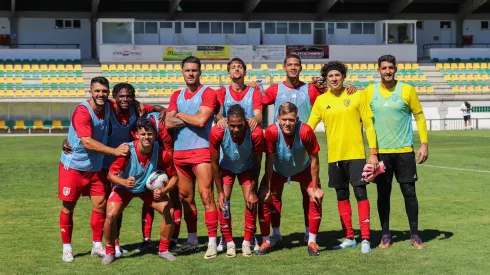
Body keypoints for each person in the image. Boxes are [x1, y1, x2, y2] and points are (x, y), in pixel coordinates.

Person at [256, 54, 356, 246]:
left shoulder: (310, 89)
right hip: (281, 151)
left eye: (297, 65)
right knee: (274, 195)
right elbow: (260, 100)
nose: (293, 68)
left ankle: (308, 232)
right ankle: (275, 233)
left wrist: (349, 88)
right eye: (290, 65)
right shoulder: (276, 89)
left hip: (303, 146)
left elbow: (333, 95)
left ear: (301, 68)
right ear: (284, 67)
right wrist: (253, 87)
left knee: (308, 194)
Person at [61, 82, 165, 257]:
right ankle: (102, 245)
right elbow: (84, 130)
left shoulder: (135, 108)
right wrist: (68, 140)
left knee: (114, 206)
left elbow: (155, 107)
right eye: (121, 96)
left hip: (124, 164)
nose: (125, 99)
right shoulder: (107, 106)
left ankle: (115, 244)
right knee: (107, 206)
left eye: (128, 96)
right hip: (102, 164)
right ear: (114, 97)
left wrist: (164, 111)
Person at [307, 61, 378, 254]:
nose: (334, 79)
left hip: (356, 155)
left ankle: (365, 238)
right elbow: (309, 126)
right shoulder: (321, 101)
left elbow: (369, 125)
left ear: (344, 77)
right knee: (341, 196)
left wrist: (373, 153)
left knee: (360, 194)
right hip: (334, 157)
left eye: (337, 75)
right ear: (326, 79)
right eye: (330, 76)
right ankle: (349, 237)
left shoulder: (357, 95)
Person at [58, 76, 130, 262]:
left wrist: (157, 109)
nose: (101, 94)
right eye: (97, 91)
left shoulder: (108, 105)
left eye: (104, 91)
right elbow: (87, 142)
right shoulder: (82, 111)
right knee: (68, 207)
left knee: (100, 205)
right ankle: (67, 248)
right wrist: (114, 151)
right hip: (73, 167)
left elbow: (128, 101)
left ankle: (97, 246)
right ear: (90, 92)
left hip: (95, 168)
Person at [364, 54, 429, 249]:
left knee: (409, 192)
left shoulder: (407, 89)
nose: (387, 71)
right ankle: (385, 235)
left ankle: (415, 234)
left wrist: (424, 143)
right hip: (381, 154)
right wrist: (373, 152)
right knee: (383, 194)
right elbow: (364, 117)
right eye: (384, 68)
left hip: (404, 152)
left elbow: (419, 116)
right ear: (378, 70)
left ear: (396, 69)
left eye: (390, 67)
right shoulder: (369, 91)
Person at [165, 56, 220, 259]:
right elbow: (168, 124)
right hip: (180, 154)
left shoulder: (208, 93)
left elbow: (202, 119)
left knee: (206, 196)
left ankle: (212, 241)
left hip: (202, 152)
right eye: (187, 70)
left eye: (194, 70)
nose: (191, 73)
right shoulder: (176, 95)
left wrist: (179, 115)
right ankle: (192, 239)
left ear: (200, 72)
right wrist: (187, 117)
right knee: (186, 199)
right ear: (182, 72)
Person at [101, 118, 178, 264]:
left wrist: (163, 191)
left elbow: (174, 177)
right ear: (136, 135)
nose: (146, 137)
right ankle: (109, 252)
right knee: (110, 215)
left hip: (145, 189)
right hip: (124, 188)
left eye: (149, 134)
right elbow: (110, 175)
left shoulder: (162, 153)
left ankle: (163, 250)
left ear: (155, 135)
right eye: (143, 134)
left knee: (169, 211)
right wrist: (123, 181)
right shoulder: (127, 151)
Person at [257, 102, 323, 256]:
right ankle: (270, 238)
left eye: (291, 120)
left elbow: (315, 160)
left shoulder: (305, 131)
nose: (287, 123)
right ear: (278, 118)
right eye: (284, 119)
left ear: (297, 119)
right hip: (278, 171)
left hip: (302, 170)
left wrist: (314, 186)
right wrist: (267, 184)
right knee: (265, 197)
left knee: (315, 197)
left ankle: (311, 239)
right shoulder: (272, 132)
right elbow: (269, 160)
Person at [214, 57, 262, 252]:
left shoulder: (254, 92)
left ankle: (250, 237)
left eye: (240, 67)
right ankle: (226, 238)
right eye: (233, 67)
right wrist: (221, 120)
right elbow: (216, 114)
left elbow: (258, 114)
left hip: (247, 151)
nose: (236, 70)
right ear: (228, 72)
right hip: (227, 156)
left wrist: (253, 120)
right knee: (223, 201)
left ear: (244, 72)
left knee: (251, 199)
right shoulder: (221, 92)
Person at [209, 104, 264, 257]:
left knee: (251, 201)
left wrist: (253, 191)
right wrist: (219, 192)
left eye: (239, 126)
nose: (236, 129)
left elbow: (258, 164)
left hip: (247, 168)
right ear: (227, 123)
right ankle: (229, 242)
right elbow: (213, 163)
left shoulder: (256, 134)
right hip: (227, 168)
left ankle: (248, 241)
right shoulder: (217, 132)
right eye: (232, 126)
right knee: (223, 202)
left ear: (245, 122)